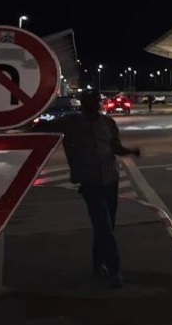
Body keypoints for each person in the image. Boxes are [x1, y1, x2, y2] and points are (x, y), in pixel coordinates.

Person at [46, 88, 141, 288]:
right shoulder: (71, 123)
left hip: (110, 180)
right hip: (89, 183)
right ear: (83, 103)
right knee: (103, 225)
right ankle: (115, 270)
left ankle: (98, 263)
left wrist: (129, 151)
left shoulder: (108, 123)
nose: (95, 105)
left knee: (106, 227)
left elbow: (115, 146)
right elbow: (41, 128)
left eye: (97, 101)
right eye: (90, 102)